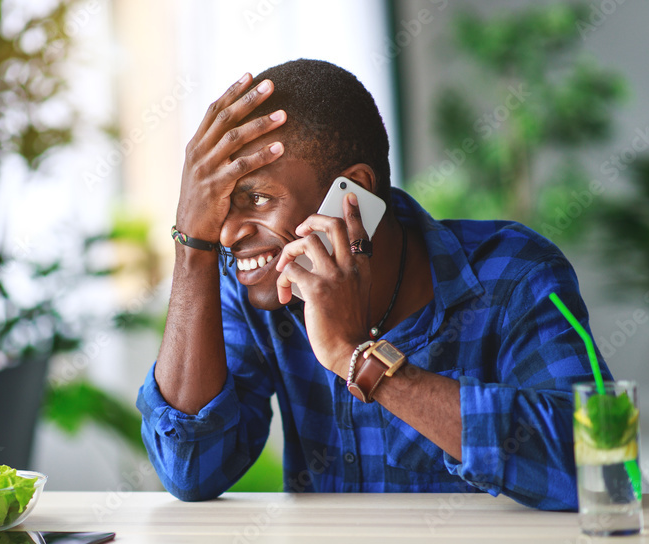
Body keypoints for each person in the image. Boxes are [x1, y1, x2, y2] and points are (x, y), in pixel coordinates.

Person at [136, 59, 609, 510]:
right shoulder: (257, 283)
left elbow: (599, 466)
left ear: (351, 197)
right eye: (219, 206)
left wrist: (357, 357)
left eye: (257, 198)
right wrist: (190, 246)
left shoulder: (513, 272)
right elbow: (190, 470)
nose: (228, 231)